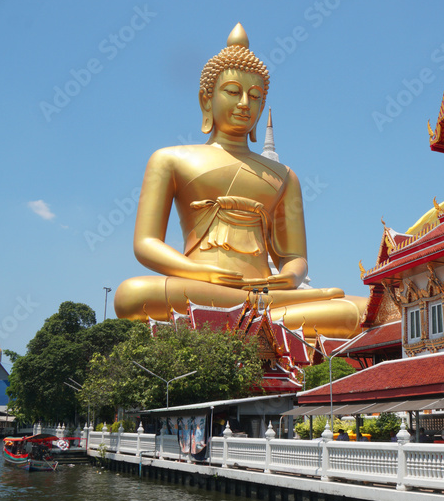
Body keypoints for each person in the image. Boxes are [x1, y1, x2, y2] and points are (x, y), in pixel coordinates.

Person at [114, 23, 365, 339]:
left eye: (256, 96)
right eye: (233, 92)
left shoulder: (284, 176)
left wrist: (287, 278)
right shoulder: (169, 159)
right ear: (206, 100)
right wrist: (200, 272)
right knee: (131, 294)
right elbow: (146, 244)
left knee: (357, 308)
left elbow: (294, 257)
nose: (245, 103)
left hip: (268, 295)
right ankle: (256, 313)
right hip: (201, 288)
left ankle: (257, 311)